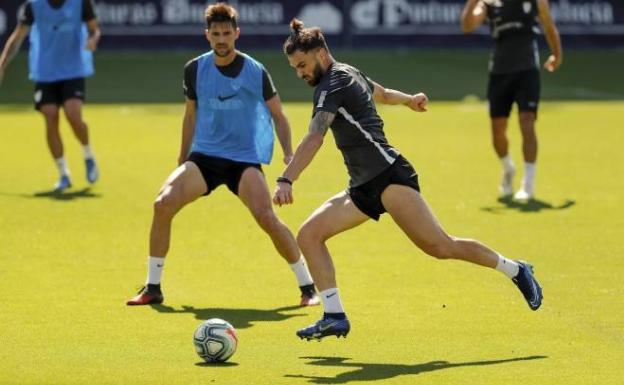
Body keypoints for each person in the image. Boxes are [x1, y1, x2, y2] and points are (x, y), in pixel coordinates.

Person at [273, 19, 543, 341]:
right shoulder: (347, 72)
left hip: (389, 177)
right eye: (294, 68)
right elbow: (384, 94)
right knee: (310, 235)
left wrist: (287, 178)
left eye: (302, 64)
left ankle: (515, 269)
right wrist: (409, 99)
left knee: (441, 246)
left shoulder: (333, 84)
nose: (300, 72)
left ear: (319, 53)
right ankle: (334, 315)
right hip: (362, 185)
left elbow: (315, 136)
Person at [126, 3, 319, 307]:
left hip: (243, 160)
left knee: (267, 217)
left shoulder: (255, 71)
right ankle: (153, 287)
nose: (221, 39)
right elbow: (190, 115)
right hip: (204, 157)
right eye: (215, 33)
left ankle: (308, 287)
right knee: (162, 203)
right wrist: (182, 159)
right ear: (207, 35)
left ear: (236, 33)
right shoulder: (194, 69)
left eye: (226, 33)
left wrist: (288, 154)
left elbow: (279, 116)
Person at [460, 0, 562, 200]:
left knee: (527, 122)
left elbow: (548, 24)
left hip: (527, 70)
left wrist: (557, 54)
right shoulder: (488, 3)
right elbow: (467, 26)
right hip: (499, 72)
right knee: (498, 131)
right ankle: (508, 168)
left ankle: (528, 184)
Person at [0, 0, 101, 191]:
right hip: (45, 72)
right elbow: (17, 37)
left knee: (73, 115)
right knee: (50, 116)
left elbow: (94, 29)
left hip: (73, 70)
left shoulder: (80, 3)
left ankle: (88, 154)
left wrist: (93, 39)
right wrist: (2, 63)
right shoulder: (33, 7)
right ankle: (64, 174)